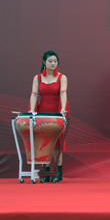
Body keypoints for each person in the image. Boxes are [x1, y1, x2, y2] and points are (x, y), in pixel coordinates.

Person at [29, 50, 69, 182]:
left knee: (57, 142)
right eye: (50, 61)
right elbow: (34, 94)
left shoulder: (62, 77)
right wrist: (32, 110)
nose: (53, 63)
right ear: (44, 62)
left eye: (55, 61)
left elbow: (63, 93)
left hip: (57, 112)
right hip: (42, 112)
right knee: (43, 141)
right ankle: (45, 172)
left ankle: (58, 172)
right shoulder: (38, 78)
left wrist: (63, 109)